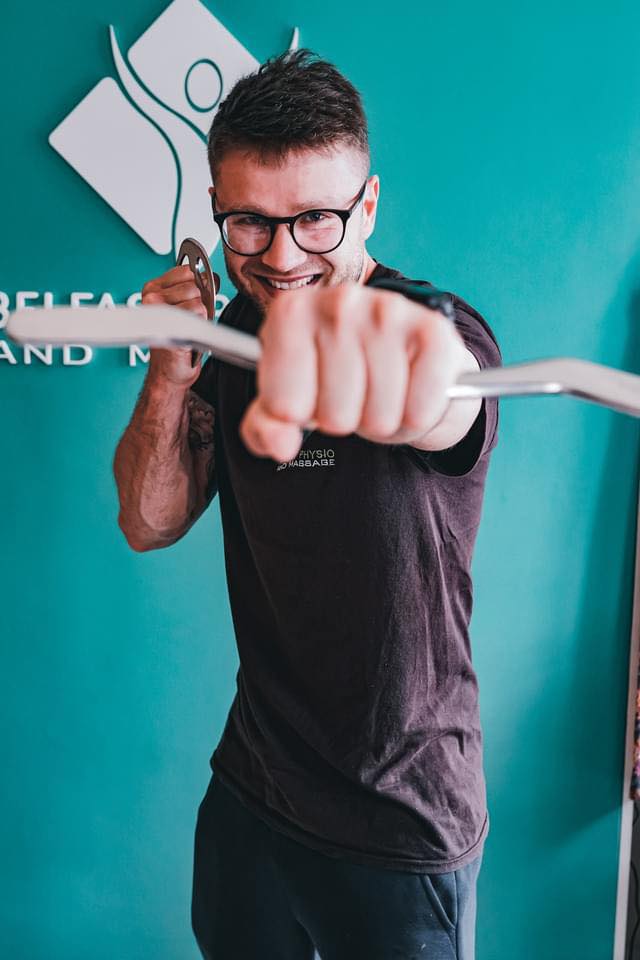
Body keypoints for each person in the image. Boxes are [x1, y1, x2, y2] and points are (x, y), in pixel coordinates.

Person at [114, 49, 501, 960]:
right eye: (250, 222)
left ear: (366, 207)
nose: (282, 255)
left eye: (316, 219)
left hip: (402, 819)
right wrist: (171, 373)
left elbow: (445, 395)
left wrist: (410, 377)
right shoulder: (234, 335)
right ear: (218, 207)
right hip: (255, 790)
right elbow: (148, 520)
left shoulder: (430, 328)